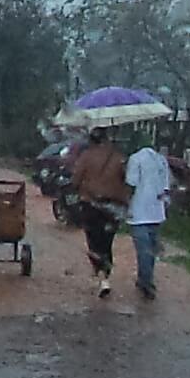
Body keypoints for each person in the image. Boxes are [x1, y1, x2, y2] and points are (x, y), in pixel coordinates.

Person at [68, 127, 129, 297]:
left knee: (94, 243)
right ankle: (105, 275)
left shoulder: (86, 156)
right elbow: (127, 180)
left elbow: (75, 180)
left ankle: (103, 278)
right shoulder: (119, 157)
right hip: (114, 208)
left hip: (91, 205)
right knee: (107, 243)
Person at [124, 137, 173, 301]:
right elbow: (166, 188)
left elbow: (131, 183)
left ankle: (146, 282)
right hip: (156, 212)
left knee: (143, 250)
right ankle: (144, 278)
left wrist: (125, 204)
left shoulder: (135, 159)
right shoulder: (161, 160)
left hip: (139, 211)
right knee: (151, 249)